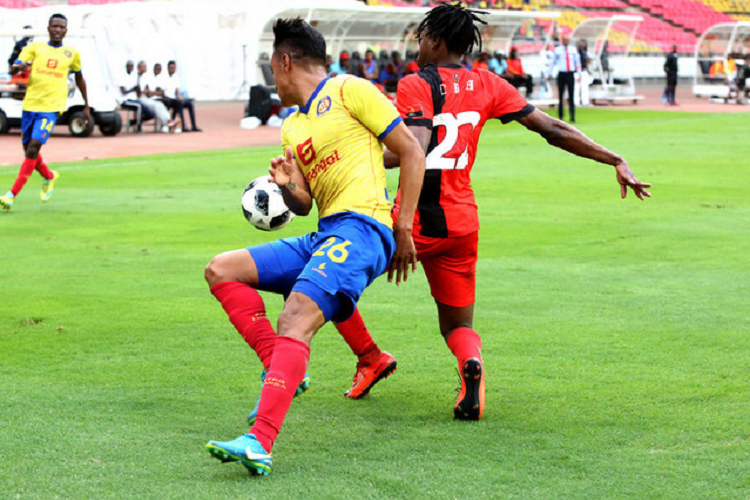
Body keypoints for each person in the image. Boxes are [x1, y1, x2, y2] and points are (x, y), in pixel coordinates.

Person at [341, 3, 651, 421]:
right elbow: (554, 129)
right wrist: (614, 158)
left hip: (410, 223)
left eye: (420, 36)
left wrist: (371, 183)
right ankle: (470, 364)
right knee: (456, 326)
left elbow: (412, 148)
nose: (416, 43)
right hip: (462, 223)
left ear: (435, 40)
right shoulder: (489, 83)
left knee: (329, 283)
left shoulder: (416, 83)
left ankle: (371, 357)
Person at [203, 17, 425, 475]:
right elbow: (304, 204)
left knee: (296, 315)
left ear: (285, 62)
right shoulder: (292, 126)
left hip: (364, 228)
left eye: (271, 66)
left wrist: (402, 225)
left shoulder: (350, 90)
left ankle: (259, 440)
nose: (271, 77)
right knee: (221, 269)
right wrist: (287, 187)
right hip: (325, 230)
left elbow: (411, 150)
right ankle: (279, 363)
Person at [1, 14, 89, 212]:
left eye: (61, 27)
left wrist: (85, 104)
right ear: (48, 28)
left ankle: (11, 195)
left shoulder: (72, 53)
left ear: (66, 30)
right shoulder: (35, 47)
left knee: (33, 147)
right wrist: (19, 67)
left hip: (52, 108)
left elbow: (80, 78)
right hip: (30, 106)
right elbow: (13, 68)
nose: (58, 30)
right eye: (54, 26)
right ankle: (48, 176)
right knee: (29, 150)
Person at [135, 60, 176, 133]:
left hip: (146, 97)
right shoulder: (136, 77)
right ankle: (166, 123)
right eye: (143, 67)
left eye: (145, 67)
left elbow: (147, 90)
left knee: (160, 105)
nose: (144, 68)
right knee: (155, 106)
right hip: (138, 98)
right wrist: (146, 91)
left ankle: (169, 122)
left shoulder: (145, 77)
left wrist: (147, 92)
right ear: (138, 67)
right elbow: (139, 92)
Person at [549, 35, 581, 123]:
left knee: (571, 95)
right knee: (560, 95)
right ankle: (560, 116)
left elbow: (577, 62)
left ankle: (572, 116)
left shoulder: (573, 50)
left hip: (570, 73)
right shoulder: (558, 50)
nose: (565, 41)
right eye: (564, 40)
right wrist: (549, 73)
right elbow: (553, 62)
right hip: (561, 73)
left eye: (567, 40)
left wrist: (579, 73)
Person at [118, 59, 154, 133]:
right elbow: (123, 92)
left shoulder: (133, 77)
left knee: (149, 112)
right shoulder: (122, 76)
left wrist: (138, 89)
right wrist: (132, 89)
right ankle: (139, 127)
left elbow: (138, 92)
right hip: (125, 100)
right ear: (126, 67)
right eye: (129, 66)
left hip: (134, 99)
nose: (130, 67)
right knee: (139, 106)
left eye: (132, 66)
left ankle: (133, 122)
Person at [164, 60, 201, 132]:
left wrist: (181, 98)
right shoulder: (164, 78)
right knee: (179, 104)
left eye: (174, 68)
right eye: (171, 67)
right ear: (168, 68)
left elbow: (177, 91)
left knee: (189, 104)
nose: (172, 69)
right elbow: (163, 92)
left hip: (175, 98)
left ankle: (193, 125)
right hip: (168, 99)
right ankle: (183, 126)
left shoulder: (176, 77)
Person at [576, 39, 591, 107]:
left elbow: (587, 62)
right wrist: (579, 73)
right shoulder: (576, 53)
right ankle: (576, 102)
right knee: (576, 88)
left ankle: (585, 102)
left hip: (584, 71)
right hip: (578, 71)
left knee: (585, 87)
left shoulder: (585, 53)